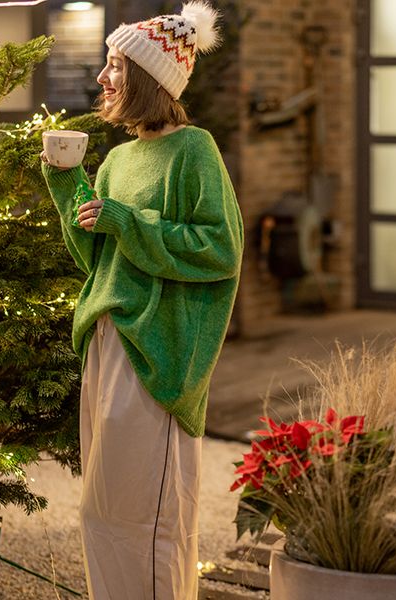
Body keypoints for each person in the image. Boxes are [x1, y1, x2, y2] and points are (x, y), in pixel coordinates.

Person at [40, 2, 242, 598]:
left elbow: (218, 251)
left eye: (116, 66)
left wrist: (130, 222)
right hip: (107, 340)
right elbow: (99, 261)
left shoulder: (195, 151)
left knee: (142, 516)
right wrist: (65, 186)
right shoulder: (119, 159)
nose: (102, 79)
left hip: (155, 352)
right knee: (101, 510)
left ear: (150, 79)